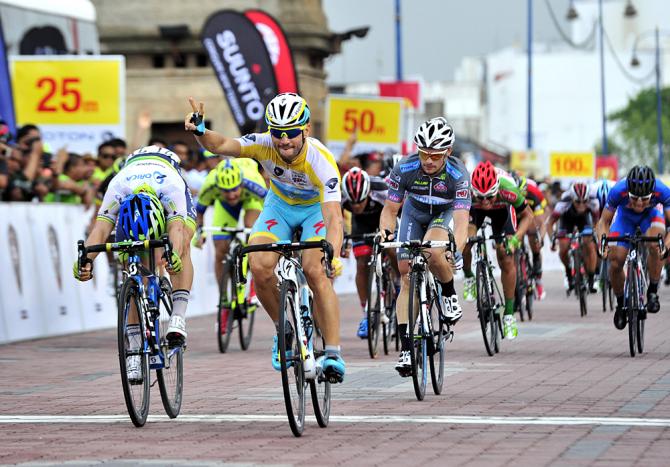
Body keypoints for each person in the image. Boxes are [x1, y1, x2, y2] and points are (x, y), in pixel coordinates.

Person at [184, 92, 346, 383]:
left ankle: (332, 353)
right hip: (279, 207)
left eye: (292, 134)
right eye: (278, 133)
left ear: (306, 129)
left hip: (314, 211)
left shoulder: (320, 159)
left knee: (315, 270)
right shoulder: (264, 143)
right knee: (258, 265)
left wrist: (332, 253)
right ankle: (282, 328)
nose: (284, 140)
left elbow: (334, 217)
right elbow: (223, 145)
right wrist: (200, 130)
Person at [74, 145, 196, 358]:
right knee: (134, 268)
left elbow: (175, 227)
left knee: (183, 240)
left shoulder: (172, 185)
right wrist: (86, 259)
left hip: (166, 171)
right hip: (132, 175)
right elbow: (100, 229)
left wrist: (173, 254)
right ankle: (135, 346)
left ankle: (178, 315)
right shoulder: (117, 187)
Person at [378, 117, 470, 376]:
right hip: (414, 212)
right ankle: (407, 350)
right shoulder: (404, 168)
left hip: (445, 212)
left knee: (433, 250)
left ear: (448, 152)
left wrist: (457, 248)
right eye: (424, 153)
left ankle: (449, 293)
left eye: (435, 155)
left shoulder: (458, 174)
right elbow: (390, 209)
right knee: (406, 274)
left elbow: (462, 222)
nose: (428, 160)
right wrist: (385, 231)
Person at [461, 161, 534, 340]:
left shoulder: (508, 188)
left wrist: (516, 239)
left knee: (506, 255)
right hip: (474, 213)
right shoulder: (465, 189)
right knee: (464, 241)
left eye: (489, 197)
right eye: (481, 197)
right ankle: (469, 276)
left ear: (496, 189)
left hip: (503, 212)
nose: (485, 202)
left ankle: (509, 315)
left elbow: (528, 216)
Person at [596, 165, 670, 330]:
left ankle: (652, 291)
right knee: (615, 262)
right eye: (634, 198)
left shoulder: (663, 191)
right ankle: (621, 304)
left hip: (650, 216)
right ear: (628, 191)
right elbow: (604, 222)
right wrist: (603, 243)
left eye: (645, 199)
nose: (639, 203)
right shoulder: (618, 191)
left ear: (652, 193)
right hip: (625, 219)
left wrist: (666, 245)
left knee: (656, 245)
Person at [193, 158, 267, 299]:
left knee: (251, 228)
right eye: (226, 191)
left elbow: (270, 208)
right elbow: (199, 213)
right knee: (220, 250)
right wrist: (199, 233)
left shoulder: (253, 183)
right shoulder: (210, 185)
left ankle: (253, 277)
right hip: (223, 204)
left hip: (251, 199)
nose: (232, 195)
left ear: (241, 183)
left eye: (234, 189)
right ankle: (224, 298)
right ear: (219, 187)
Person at [341, 166, 396, 338]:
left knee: (392, 250)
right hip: (361, 225)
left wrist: (388, 234)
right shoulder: (340, 195)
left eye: (360, 202)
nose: (356, 206)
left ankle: (399, 279)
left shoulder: (381, 189)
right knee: (362, 263)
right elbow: (335, 218)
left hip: (384, 217)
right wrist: (343, 240)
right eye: (353, 203)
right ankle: (366, 313)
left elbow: (396, 211)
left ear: (368, 194)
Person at [546, 181, 599, 294]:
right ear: (572, 199)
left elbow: (598, 222)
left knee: (589, 245)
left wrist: (596, 236)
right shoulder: (563, 203)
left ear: (588, 199)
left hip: (585, 220)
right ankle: (568, 272)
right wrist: (552, 239)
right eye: (577, 202)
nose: (581, 205)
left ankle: (591, 277)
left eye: (584, 202)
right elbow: (549, 223)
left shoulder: (594, 201)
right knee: (563, 247)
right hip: (567, 220)